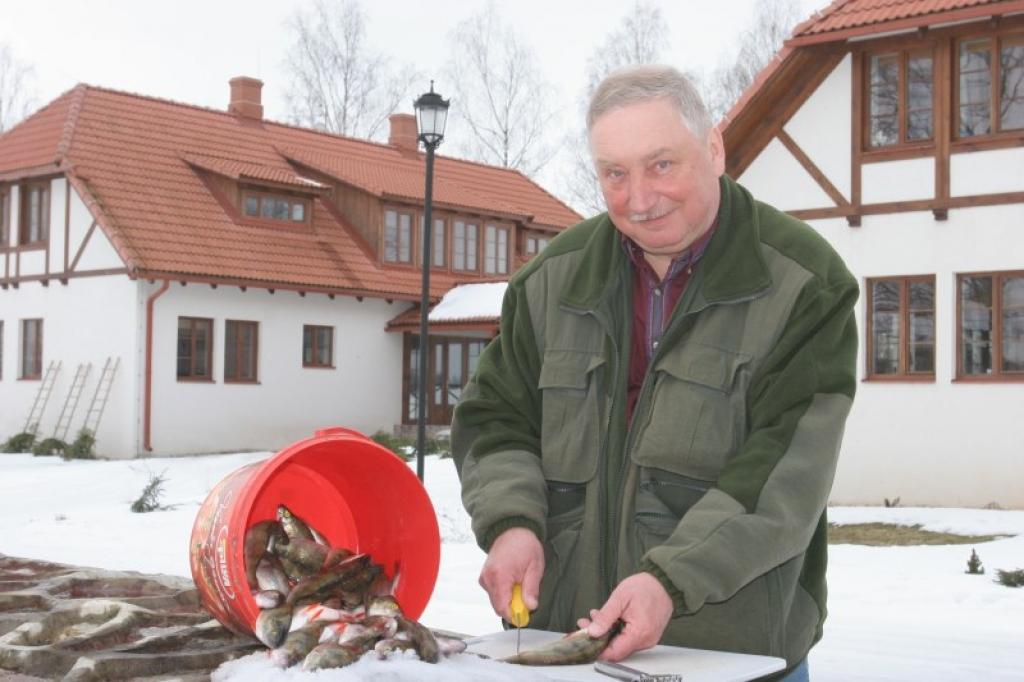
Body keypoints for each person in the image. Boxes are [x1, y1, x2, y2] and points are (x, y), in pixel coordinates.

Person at [451, 64, 857, 681]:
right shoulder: (546, 283)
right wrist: (511, 524)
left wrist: (669, 581)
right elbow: (495, 421)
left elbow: (783, 475)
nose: (639, 198)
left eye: (661, 164)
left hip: (729, 655)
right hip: (561, 647)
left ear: (714, 148)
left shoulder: (805, 284)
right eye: (615, 173)